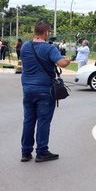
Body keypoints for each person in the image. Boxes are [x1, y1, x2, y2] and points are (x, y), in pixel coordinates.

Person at [20, 20, 71, 162]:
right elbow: (61, 63)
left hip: (28, 89)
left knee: (28, 120)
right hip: (44, 90)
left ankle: (25, 152)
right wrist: (67, 60)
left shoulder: (25, 46)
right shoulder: (49, 48)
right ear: (46, 32)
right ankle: (42, 151)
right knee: (43, 120)